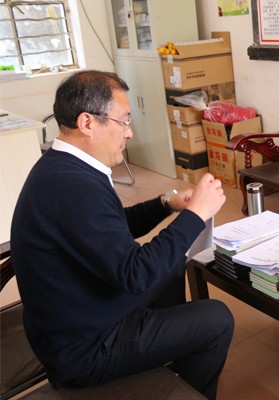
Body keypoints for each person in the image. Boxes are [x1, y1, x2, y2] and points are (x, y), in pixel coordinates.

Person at [11, 70, 234, 400]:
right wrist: (195, 215)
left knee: (172, 266)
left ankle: (162, 351)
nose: (129, 132)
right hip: (84, 348)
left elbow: (111, 226)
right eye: (123, 121)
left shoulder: (63, 166)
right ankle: (177, 382)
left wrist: (166, 203)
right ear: (87, 123)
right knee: (218, 319)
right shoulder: (74, 187)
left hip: (85, 310)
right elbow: (136, 273)